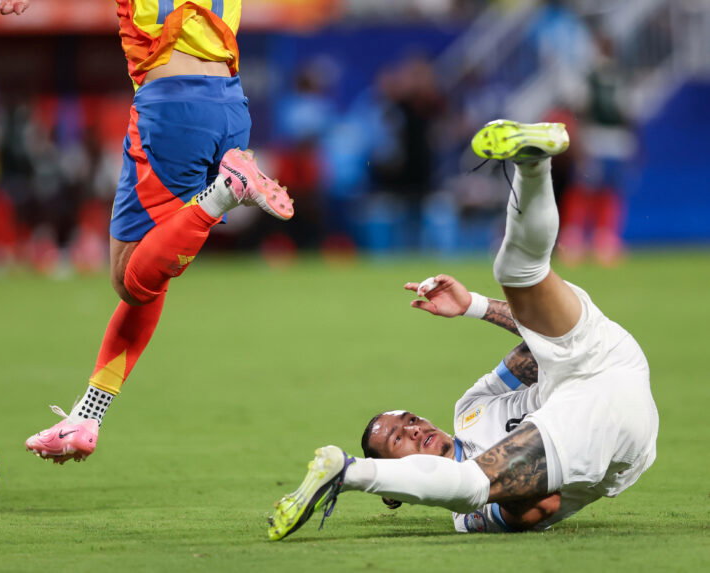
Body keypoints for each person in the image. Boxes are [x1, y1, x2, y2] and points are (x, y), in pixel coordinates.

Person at [267, 120, 657, 539]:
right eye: (400, 437)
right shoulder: (467, 517)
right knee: (474, 485)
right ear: (397, 489)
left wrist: (474, 306)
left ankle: (532, 162)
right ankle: (352, 472)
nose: (416, 429)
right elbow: (541, 506)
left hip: (608, 358)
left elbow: (536, 346)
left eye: (411, 420)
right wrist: (507, 464)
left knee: (516, 270)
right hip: (611, 432)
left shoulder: (473, 407)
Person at [0, 0, 294, 463]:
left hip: (172, 103)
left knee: (130, 277)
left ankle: (227, 189)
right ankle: (87, 415)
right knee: (149, 273)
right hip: (231, 105)